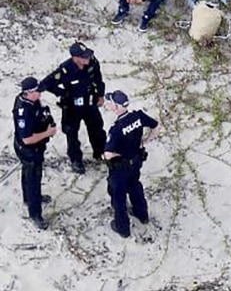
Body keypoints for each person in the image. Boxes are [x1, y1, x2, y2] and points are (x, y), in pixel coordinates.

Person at [39, 42, 106, 174]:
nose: (87, 58)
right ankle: (76, 160)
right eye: (84, 57)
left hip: (89, 101)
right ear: (75, 58)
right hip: (72, 106)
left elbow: (98, 79)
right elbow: (46, 84)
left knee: (97, 128)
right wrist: (64, 93)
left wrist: (100, 95)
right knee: (71, 133)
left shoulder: (93, 62)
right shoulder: (65, 69)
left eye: (87, 55)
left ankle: (101, 153)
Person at [103, 90, 159, 238]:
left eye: (110, 103)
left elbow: (108, 154)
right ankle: (142, 214)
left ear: (116, 107)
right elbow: (155, 126)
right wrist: (144, 141)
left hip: (121, 167)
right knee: (135, 185)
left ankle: (122, 228)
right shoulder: (138, 116)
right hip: (137, 160)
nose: (108, 105)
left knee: (119, 196)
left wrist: (118, 155)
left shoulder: (116, 129)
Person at [12, 77, 57, 230]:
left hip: (36, 147)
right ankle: (35, 214)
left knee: (27, 174)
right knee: (33, 180)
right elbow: (27, 139)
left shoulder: (33, 101)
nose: (40, 94)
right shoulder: (23, 112)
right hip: (29, 150)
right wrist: (47, 133)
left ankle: (28, 199)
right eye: (37, 91)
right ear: (28, 93)